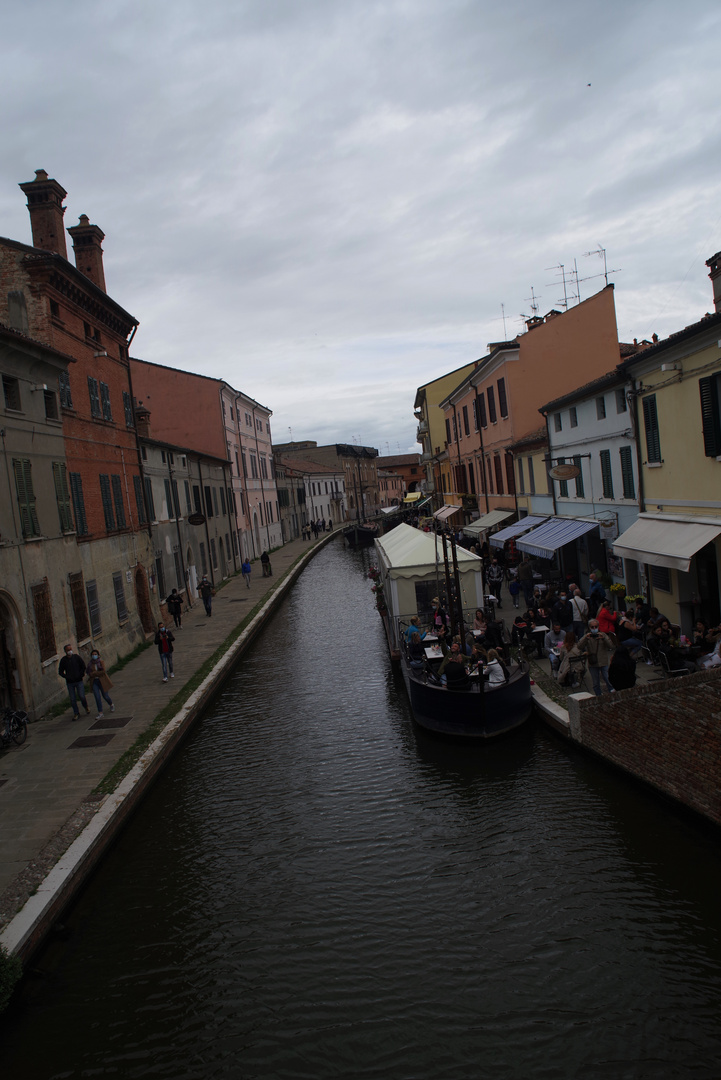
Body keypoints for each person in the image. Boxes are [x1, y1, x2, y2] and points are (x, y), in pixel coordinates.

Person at [577, 619, 615, 696]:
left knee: (608, 679)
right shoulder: (587, 636)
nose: (594, 628)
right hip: (592, 662)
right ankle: (598, 696)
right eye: (592, 627)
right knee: (595, 682)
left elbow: (611, 646)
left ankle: (612, 692)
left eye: (596, 627)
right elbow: (579, 646)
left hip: (603, 661)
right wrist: (585, 638)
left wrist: (603, 639)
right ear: (589, 627)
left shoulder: (603, 635)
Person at [58, 643, 90, 720]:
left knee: (82, 696)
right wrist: (67, 677)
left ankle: (86, 707)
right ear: (65, 651)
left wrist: (81, 674)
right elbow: (60, 671)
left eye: (70, 649)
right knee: (72, 699)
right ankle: (76, 713)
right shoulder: (63, 660)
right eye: (68, 650)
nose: (70, 651)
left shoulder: (76, 657)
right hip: (70, 682)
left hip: (78, 681)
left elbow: (83, 666)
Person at [86, 648, 114, 718]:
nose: (94, 656)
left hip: (102, 681)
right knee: (97, 697)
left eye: (95, 654)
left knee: (105, 696)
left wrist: (95, 673)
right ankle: (100, 712)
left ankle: (111, 704)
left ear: (98, 655)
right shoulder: (90, 664)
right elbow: (89, 673)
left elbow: (103, 671)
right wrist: (94, 674)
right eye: (93, 655)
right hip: (94, 681)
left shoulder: (101, 662)